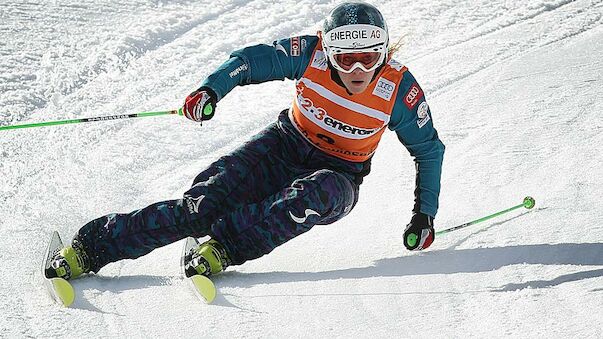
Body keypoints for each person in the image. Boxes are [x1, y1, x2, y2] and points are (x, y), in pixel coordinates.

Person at [48, 1, 445, 281]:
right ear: (330, 50)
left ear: (382, 54)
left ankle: (225, 248)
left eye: (369, 58)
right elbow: (249, 60)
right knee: (201, 208)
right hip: (282, 146)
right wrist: (211, 91)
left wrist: (423, 215)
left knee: (313, 194)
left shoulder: (398, 91)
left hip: (339, 174)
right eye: (345, 59)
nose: (358, 70)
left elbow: (428, 150)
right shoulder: (311, 54)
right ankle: (90, 249)